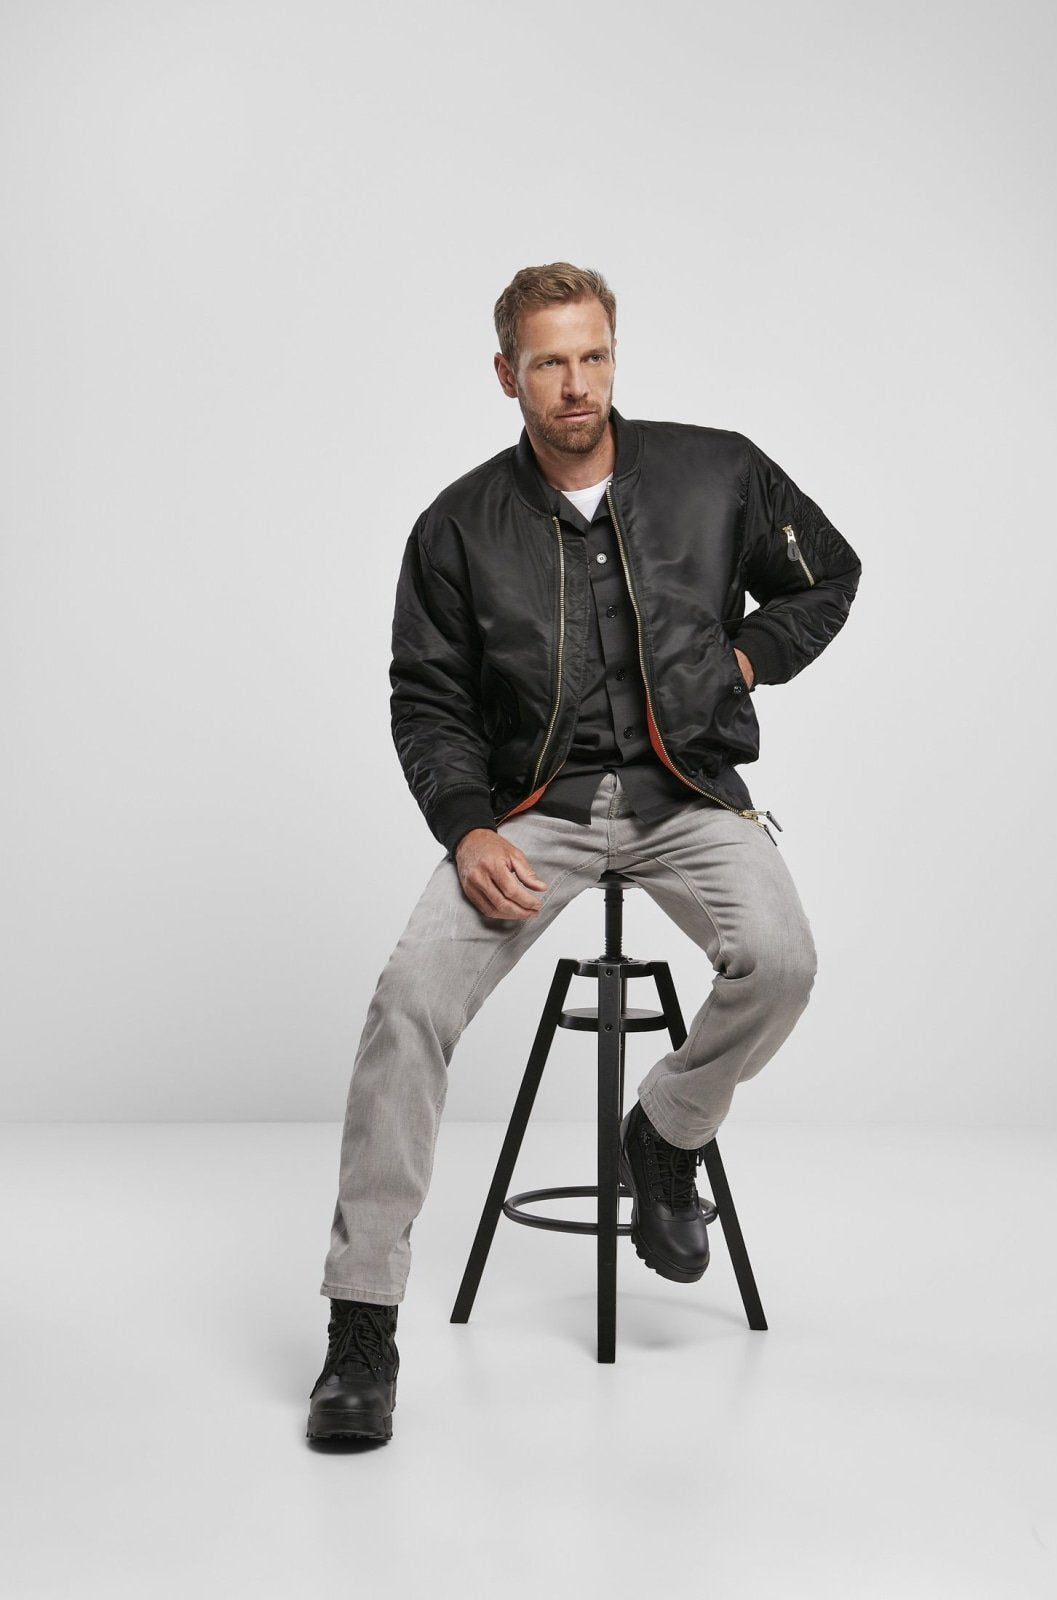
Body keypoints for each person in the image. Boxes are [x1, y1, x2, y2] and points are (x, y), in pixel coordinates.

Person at [307, 262, 862, 1443]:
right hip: (533, 813)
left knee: (783, 958)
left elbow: (828, 574)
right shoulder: (457, 524)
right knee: (408, 1001)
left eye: (594, 355)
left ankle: (663, 1133)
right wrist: (466, 827)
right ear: (507, 374)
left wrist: (747, 660)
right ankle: (361, 1326)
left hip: (684, 795)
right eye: (550, 362)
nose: (576, 385)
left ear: (616, 354)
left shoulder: (716, 471)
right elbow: (427, 701)